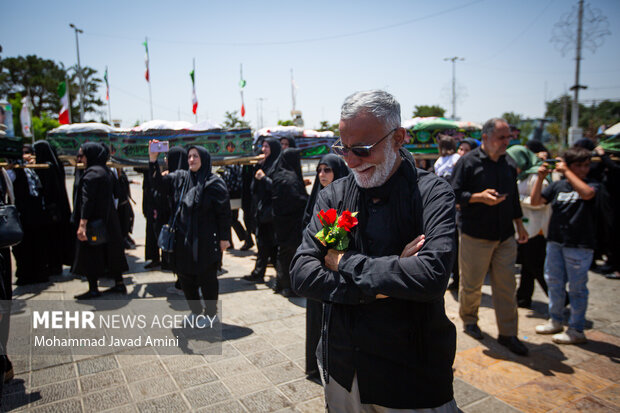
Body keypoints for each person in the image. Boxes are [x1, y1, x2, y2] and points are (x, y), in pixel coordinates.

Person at [291, 90, 457, 411]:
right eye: (343, 149)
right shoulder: (334, 196)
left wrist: (344, 261)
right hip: (344, 368)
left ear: (398, 138)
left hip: (410, 376)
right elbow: (302, 273)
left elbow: (431, 276)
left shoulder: (432, 194)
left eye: (363, 150)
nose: (351, 162)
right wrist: (383, 284)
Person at [450, 117, 529, 356]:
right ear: (485, 138)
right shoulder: (468, 162)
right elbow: (453, 194)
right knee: (472, 284)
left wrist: (519, 224)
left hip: (505, 235)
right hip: (476, 235)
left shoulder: (508, 163)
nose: (507, 141)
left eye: (509, 137)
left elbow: (513, 196)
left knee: (506, 286)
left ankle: (508, 333)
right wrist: (478, 197)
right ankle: (470, 320)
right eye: (502, 137)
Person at [149, 143, 231, 319]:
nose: (191, 159)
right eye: (189, 156)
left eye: (195, 156)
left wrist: (225, 238)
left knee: (207, 278)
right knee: (186, 278)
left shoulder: (214, 182)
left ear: (204, 159)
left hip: (206, 240)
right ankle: (195, 311)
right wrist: (153, 160)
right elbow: (158, 184)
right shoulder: (181, 178)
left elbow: (224, 213)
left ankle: (211, 314)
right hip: (183, 239)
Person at [532, 147, 599, 344]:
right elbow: (537, 201)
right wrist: (540, 177)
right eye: (579, 166)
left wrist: (567, 171)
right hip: (555, 242)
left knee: (577, 288)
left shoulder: (592, 183)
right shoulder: (559, 186)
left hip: (579, 245)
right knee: (554, 283)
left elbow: (587, 194)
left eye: (586, 165)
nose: (584, 170)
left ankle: (576, 329)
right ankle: (556, 320)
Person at [301, 153, 350, 382]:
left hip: (338, 270)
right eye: (319, 170)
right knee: (315, 320)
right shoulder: (316, 196)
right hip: (316, 268)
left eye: (327, 170)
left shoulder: (346, 197)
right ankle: (314, 366)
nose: (321, 175)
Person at [72, 143, 128, 299]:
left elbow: (86, 201)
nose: (80, 158)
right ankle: (119, 283)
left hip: (94, 223)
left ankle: (93, 288)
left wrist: (82, 224)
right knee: (112, 251)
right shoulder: (106, 171)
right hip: (109, 220)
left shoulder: (91, 174)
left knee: (90, 253)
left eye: (82, 155)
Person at [506, 145, 552, 309]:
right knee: (527, 263)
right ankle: (523, 298)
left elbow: (539, 201)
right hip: (526, 227)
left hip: (537, 228)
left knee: (535, 265)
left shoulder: (537, 176)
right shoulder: (521, 176)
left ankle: (559, 298)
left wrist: (516, 200)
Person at [271, 148, 308, 297]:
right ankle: (289, 286)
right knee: (291, 255)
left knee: (283, 254)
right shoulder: (289, 178)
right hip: (291, 223)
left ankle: (281, 284)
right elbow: (296, 200)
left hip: (281, 223)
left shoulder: (280, 174)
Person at [33, 141, 74, 275]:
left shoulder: (46, 167)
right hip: (60, 208)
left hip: (51, 211)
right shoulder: (56, 164)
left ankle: (54, 265)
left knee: (52, 239)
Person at [243, 138, 281, 283]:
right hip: (261, 211)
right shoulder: (263, 165)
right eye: (263, 146)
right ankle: (259, 273)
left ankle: (284, 277)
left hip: (271, 213)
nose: (263, 149)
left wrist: (264, 178)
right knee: (263, 244)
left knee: (272, 245)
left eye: (267, 146)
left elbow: (277, 188)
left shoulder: (278, 166)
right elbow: (253, 188)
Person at [10, 145, 48, 284]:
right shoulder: (14, 170)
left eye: (28, 153)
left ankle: (39, 272)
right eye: (23, 153)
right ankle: (25, 274)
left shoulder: (34, 168)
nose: (25, 156)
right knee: (22, 246)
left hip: (36, 212)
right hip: (22, 213)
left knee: (37, 243)